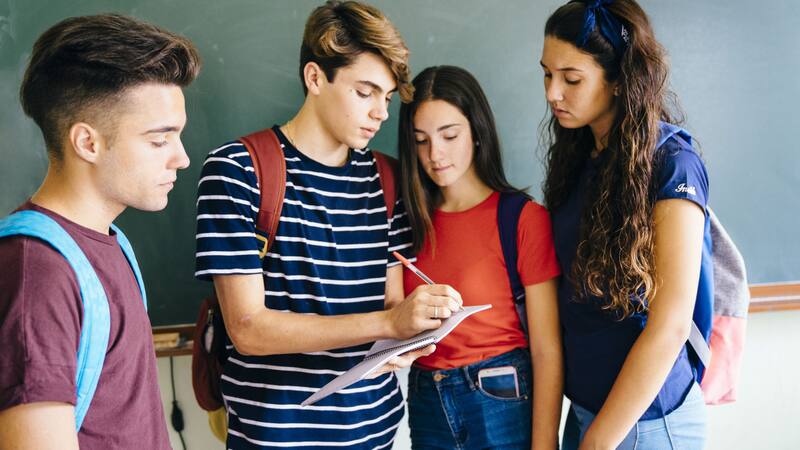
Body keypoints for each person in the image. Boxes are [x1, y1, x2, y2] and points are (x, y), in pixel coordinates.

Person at [194, 1, 461, 448]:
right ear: (315, 77)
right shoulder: (238, 169)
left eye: (387, 98)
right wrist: (388, 322)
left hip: (375, 433)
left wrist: (410, 333)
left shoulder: (389, 178)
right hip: (274, 437)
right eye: (365, 92)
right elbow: (248, 329)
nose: (380, 112)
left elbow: (391, 306)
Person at [0, 14, 200, 449]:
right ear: (87, 143)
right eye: (159, 140)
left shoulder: (110, 241)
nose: (181, 158)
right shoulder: (40, 273)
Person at [540, 1, 710, 448]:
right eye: (547, 74)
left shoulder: (672, 163)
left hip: (645, 423)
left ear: (617, 79)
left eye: (571, 79)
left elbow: (671, 324)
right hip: (587, 411)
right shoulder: (578, 156)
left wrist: (599, 440)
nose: (553, 93)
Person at [397, 65, 563, 450]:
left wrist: (545, 443)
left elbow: (547, 349)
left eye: (449, 135)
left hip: (500, 396)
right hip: (426, 399)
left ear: (477, 132)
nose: (434, 154)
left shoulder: (521, 218)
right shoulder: (405, 223)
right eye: (420, 140)